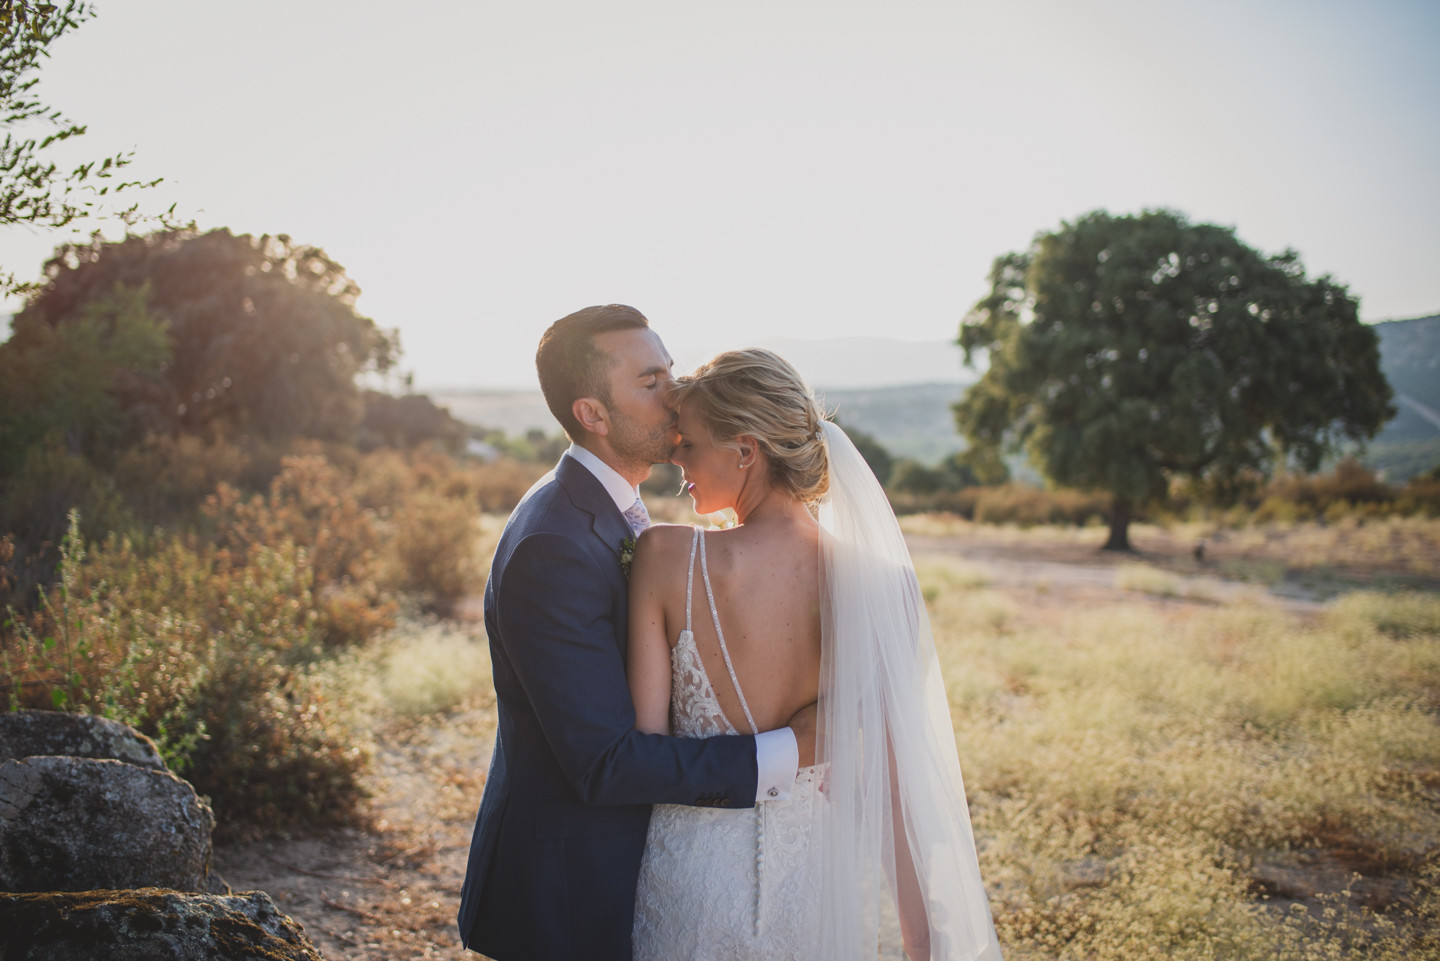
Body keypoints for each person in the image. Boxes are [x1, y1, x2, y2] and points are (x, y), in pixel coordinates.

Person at [456, 306, 814, 961]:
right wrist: (787, 752)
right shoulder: (552, 543)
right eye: (651, 381)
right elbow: (605, 763)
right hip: (566, 896)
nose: (676, 393)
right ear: (593, 413)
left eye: (670, 369)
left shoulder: (611, 510)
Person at [626, 349, 1003, 961]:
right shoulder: (885, 587)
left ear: (745, 450)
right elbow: (894, 782)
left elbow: (645, 759)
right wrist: (921, 936)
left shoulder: (665, 558)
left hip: (687, 888)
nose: (675, 457)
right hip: (815, 896)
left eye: (688, 444)